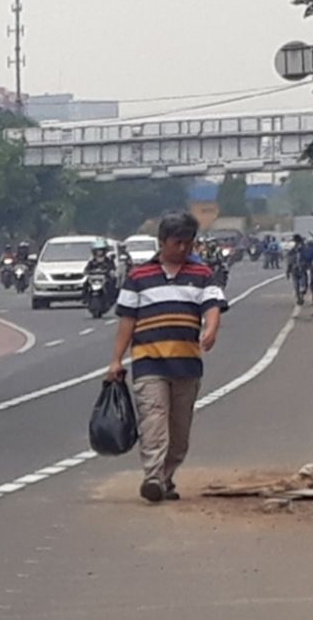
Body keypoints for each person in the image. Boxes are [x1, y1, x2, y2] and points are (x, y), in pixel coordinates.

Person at [109, 211, 227, 503]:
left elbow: (212, 305)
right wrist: (116, 360)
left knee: (179, 428)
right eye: (178, 243)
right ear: (162, 243)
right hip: (149, 362)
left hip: (186, 364)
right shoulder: (138, 277)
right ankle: (152, 477)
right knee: (153, 419)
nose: (184, 249)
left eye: (189, 243)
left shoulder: (201, 275)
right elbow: (127, 321)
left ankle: (166, 476)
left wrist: (210, 330)